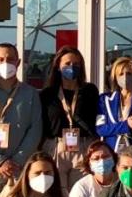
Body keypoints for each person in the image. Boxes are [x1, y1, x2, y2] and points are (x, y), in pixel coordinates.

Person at [0, 44, 42, 197]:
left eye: (10, 59)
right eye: (1, 59)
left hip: (20, 168)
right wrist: (0, 162)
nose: (5, 63)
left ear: (18, 62)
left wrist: (16, 161)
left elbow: (35, 129)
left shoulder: (31, 94)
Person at [38, 45, 99, 188]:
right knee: (59, 195)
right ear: (58, 66)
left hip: (83, 145)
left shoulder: (89, 90)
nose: (72, 67)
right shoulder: (48, 94)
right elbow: (43, 124)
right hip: (56, 147)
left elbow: (96, 118)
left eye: (76, 64)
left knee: (82, 193)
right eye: (67, 64)